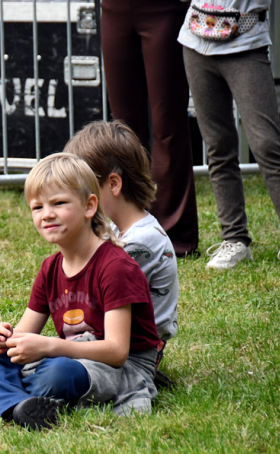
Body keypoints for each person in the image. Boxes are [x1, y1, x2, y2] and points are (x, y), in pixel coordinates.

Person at [0, 153, 160, 430]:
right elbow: (23, 335)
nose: (47, 214)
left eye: (59, 203)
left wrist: (49, 346)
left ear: (90, 206)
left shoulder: (116, 267)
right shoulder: (51, 267)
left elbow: (116, 352)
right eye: (37, 207)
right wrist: (3, 340)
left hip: (117, 368)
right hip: (69, 354)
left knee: (58, 373)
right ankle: (17, 405)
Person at [64, 121, 178, 373]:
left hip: (135, 348)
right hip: (110, 333)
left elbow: (94, 291)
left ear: (113, 184)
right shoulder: (117, 229)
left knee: (59, 362)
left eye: (82, 188)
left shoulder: (140, 242)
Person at [179, 0, 280, 270]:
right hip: (195, 40)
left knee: (267, 145)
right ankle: (235, 239)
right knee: (218, 146)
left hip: (246, 44)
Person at [101, 0, 200, 257]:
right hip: (114, 9)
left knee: (168, 125)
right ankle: (127, 226)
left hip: (164, 10)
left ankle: (175, 236)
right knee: (123, 129)